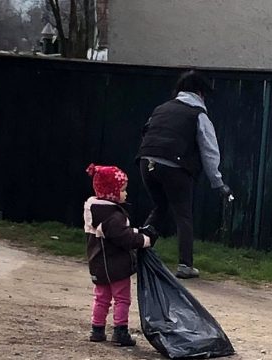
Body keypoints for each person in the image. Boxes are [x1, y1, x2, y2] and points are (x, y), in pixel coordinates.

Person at [136, 70, 233, 279]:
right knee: (183, 215)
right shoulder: (198, 114)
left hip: (146, 161)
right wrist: (218, 182)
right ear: (200, 93)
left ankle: (139, 250)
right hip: (175, 166)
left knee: (160, 207)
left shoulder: (161, 109)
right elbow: (210, 151)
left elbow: (147, 132)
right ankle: (185, 265)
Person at [84, 163, 158, 346]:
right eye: (123, 190)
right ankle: (120, 331)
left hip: (98, 264)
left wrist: (134, 230)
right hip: (116, 266)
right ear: (112, 192)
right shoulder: (113, 216)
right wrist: (144, 240)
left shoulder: (95, 211)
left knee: (101, 298)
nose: (126, 194)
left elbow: (113, 233)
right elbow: (123, 237)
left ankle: (97, 329)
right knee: (122, 299)